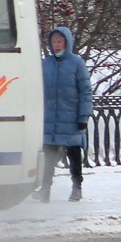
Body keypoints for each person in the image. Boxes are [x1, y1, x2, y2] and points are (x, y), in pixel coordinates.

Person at [37, 26, 93, 203]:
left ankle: (77, 188)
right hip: (50, 121)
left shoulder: (77, 63)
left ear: (66, 42)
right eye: (53, 42)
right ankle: (45, 190)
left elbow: (85, 92)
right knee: (48, 159)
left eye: (60, 41)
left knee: (74, 156)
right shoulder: (45, 64)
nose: (56, 45)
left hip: (71, 120)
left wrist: (83, 117)